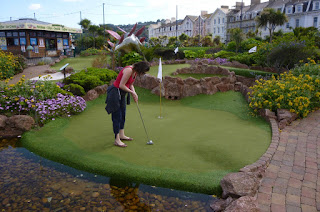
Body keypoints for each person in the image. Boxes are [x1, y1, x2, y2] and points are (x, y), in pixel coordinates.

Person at [105, 61, 150, 147]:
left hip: (122, 93)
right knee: (117, 116)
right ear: (140, 68)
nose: (143, 73)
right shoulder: (129, 70)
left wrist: (134, 93)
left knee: (123, 114)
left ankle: (122, 135)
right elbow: (121, 85)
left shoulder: (135, 72)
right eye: (143, 71)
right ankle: (117, 139)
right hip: (115, 92)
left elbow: (130, 85)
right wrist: (132, 93)